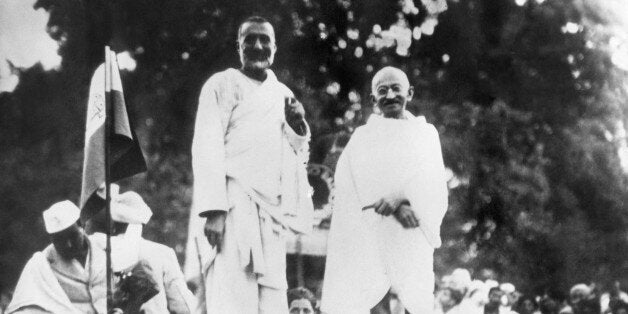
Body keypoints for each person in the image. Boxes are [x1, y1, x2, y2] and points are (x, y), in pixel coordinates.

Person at [190, 15, 313, 313]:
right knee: (232, 294)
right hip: (232, 205)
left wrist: (298, 127)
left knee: (271, 299)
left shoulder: (283, 95)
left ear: (275, 47)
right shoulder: (221, 84)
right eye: (250, 40)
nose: (258, 46)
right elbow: (206, 146)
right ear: (239, 46)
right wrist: (214, 211)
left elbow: (297, 159)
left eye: (265, 40)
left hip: (270, 213)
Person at [320, 66, 449, 314]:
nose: (390, 95)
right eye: (382, 90)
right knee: (371, 299)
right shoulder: (362, 137)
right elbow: (350, 180)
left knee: (416, 299)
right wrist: (387, 205)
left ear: (409, 93)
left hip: (412, 226)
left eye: (396, 89)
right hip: (372, 227)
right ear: (373, 99)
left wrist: (401, 198)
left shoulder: (425, 134)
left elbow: (432, 179)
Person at [87, 184, 196, 313]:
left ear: (113, 225)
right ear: (142, 224)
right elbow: (183, 306)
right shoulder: (161, 253)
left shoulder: (96, 248)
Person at [6, 200, 106, 314]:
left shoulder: (105, 247)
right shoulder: (41, 264)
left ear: (82, 226)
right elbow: (24, 306)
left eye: (73, 236)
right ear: (51, 239)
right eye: (60, 240)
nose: (68, 244)